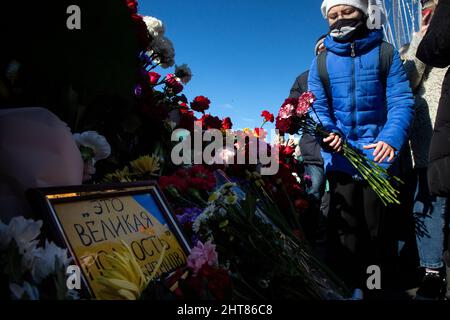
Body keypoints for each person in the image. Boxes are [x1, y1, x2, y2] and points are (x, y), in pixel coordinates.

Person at [308, 0, 414, 297]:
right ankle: (350, 289)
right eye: (334, 14)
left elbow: (401, 101)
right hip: (341, 161)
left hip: (378, 161)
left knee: (377, 238)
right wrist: (328, 132)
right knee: (345, 237)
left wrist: (391, 138)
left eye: (348, 11)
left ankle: (374, 291)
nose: (340, 18)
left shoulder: (386, 53)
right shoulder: (321, 61)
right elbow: (316, 108)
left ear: (363, 13)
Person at [403, 0, 448, 300]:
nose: (429, 8)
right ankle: (431, 270)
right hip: (428, 130)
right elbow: (406, 80)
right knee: (428, 202)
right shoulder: (418, 43)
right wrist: (421, 37)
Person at [289, 34, 328, 245]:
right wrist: (296, 114)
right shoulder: (303, 79)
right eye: (320, 48)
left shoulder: (347, 74)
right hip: (314, 150)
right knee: (313, 192)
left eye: (327, 47)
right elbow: (291, 108)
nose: (324, 51)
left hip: (343, 149)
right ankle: (309, 240)